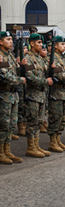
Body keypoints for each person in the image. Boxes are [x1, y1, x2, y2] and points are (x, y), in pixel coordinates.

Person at [24, 33, 54, 158]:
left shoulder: (40, 58)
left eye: (42, 43)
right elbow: (29, 76)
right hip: (33, 94)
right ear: (32, 44)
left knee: (39, 122)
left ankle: (36, 146)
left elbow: (46, 73)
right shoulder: (28, 58)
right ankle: (31, 147)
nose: (41, 46)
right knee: (32, 121)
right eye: (39, 43)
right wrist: (45, 82)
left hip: (42, 94)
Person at [0, 31, 25, 164]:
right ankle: (0, 152)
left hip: (13, 95)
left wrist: (21, 66)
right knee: (3, 124)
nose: (11, 41)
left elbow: (14, 72)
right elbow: (4, 76)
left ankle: (7, 150)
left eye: (11, 39)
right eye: (8, 39)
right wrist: (20, 80)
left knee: (10, 124)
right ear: (0, 41)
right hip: (4, 95)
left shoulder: (10, 56)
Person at [47, 36, 65, 152]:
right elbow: (59, 75)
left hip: (64, 92)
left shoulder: (62, 58)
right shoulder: (53, 58)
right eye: (62, 44)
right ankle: (53, 142)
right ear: (55, 46)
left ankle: (58, 140)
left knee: (63, 118)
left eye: (64, 44)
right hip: (56, 92)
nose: (64, 46)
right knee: (55, 117)